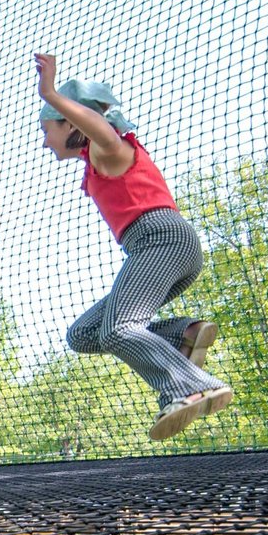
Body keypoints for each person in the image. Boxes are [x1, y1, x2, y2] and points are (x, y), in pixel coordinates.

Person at [35, 54, 234, 442]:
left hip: (161, 241)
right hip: (159, 250)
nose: (44, 141)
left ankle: (192, 386)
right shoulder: (94, 164)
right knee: (85, 334)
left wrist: (50, 92)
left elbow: (103, 133)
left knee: (120, 328)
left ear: (69, 123)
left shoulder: (107, 149)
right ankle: (184, 335)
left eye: (47, 129)